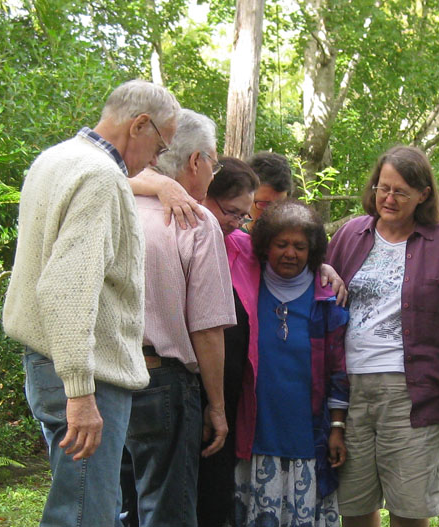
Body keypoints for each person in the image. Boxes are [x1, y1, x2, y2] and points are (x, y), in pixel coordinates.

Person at [2, 79, 179, 526]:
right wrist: (80, 391)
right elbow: (68, 285)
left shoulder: (55, 158)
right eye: (160, 146)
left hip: (46, 362)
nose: (157, 161)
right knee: (87, 515)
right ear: (140, 125)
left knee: (77, 505)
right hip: (85, 372)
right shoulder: (101, 177)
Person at [327, 146, 439, 527]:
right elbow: (323, 291)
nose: (388, 198)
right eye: (382, 187)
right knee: (353, 507)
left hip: (415, 393)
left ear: (424, 194)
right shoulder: (351, 233)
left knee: (409, 509)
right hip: (350, 390)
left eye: (401, 191)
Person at [121, 108, 237, 527]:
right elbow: (206, 328)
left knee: (117, 505)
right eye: (214, 162)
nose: (212, 173)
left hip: (103, 379)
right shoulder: (196, 220)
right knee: (167, 510)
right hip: (162, 382)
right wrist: (218, 407)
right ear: (195, 161)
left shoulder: (114, 200)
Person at [233, 199, 350, 527]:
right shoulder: (246, 285)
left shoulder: (326, 300)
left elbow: (339, 372)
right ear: (265, 245)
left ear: (312, 251)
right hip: (255, 430)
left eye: (300, 246)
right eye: (281, 244)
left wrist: (337, 428)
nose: (290, 253)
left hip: (307, 435)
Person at [197, 156, 262, 527]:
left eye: (243, 216)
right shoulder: (180, 235)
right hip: (188, 391)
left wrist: (324, 268)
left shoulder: (242, 246)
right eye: (231, 212)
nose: (236, 222)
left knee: (215, 499)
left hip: (229, 394)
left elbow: (293, 257)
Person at [247, 151, 294, 224]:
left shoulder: (297, 233)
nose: (272, 213)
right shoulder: (228, 233)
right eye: (264, 205)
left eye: (279, 205)